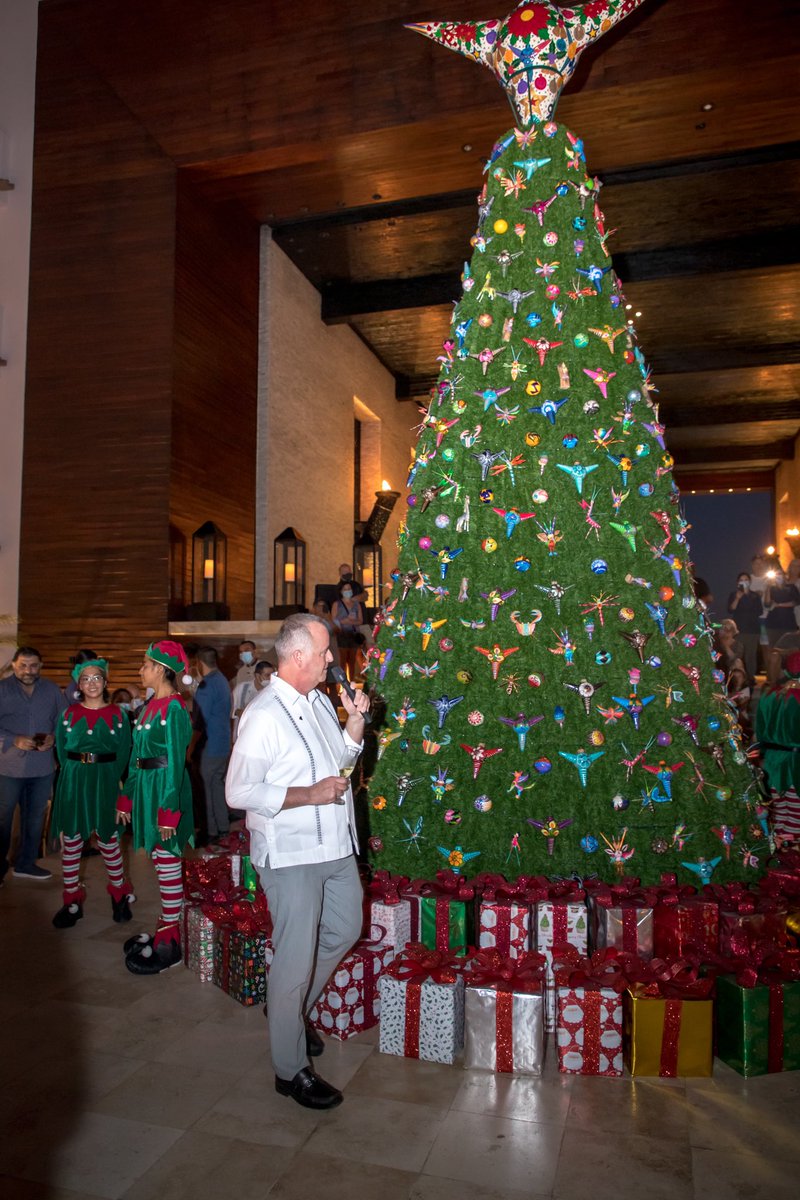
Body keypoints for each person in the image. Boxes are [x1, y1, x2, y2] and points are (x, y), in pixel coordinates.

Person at [226, 613, 370, 1110]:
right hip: (291, 854)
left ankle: (287, 1013)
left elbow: (342, 768)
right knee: (294, 957)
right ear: (298, 655)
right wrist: (306, 794)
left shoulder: (321, 702)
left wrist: (355, 724)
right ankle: (290, 1071)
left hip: (336, 847)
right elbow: (238, 791)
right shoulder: (263, 714)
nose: (332, 658)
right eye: (325, 651)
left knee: (345, 929)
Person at [117, 641, 194, 975]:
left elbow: (175, 763)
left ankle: (169, 939)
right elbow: (137, 757)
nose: (140, 671)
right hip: (148, 789)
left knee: (168, 861)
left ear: (161, 670)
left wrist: (168, 811)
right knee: (161, 863)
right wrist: (127, 796)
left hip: (165, 789)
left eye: (145, 665)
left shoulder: (174, 708)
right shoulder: (150, 706)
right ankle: (167, 924)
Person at [51, 658, 134, 928]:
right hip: (74, 781)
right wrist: (74, 775)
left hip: (106, 780)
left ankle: (119, 895)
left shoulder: (118, 715)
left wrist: (110, 778)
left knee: (109, 840)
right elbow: (61, 750)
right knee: (72, 840)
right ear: (79, 685)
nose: (91, 683)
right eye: (85, 679)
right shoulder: (68, 715)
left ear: (105, 682)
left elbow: (124, 752)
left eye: (96, 677)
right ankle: (71, 901)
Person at [0, 646, 66, 883]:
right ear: (13, 665)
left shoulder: (52, 690)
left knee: (35, 818)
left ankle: (26, 864)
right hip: (8, 768)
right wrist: (12, 739)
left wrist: (54, 738)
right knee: (3, 818)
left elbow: (64, 720)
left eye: (34, 665)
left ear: (41, 666)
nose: (28, 670)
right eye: (23, 665)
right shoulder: (2, 689)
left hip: (42, 767)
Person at [755, 650, 800, 846]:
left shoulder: (769, 695)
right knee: (796, 813)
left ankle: (780, 848)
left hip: (772, 761)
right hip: (795, 763)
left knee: (780, 810)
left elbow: (760, 729)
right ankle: (791, 852)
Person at [193, 646, 232, 843]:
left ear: (199, 663)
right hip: (223, 743)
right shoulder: (222, 680)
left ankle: (210, 831)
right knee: (216, 786)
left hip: (210, 743)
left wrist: (190, 746)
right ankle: (223, 828)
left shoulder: (207, 684)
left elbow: (200, 719)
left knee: (206, 790)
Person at [727, 571, 762, 680]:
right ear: (737, 582)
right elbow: (730, 609)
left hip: (753, 630)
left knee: (750, 656)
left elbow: (760, 611)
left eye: (746, 580)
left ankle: (750, 678)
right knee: (737, 655)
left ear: (750, 582)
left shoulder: (755, 595)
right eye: (741, 580)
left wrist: (748, 596)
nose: (744, 582)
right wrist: (738, 598)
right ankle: (736, 679)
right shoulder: (734, 594)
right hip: (738, 630)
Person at [333, 579, 366, 682]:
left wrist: (350, 621)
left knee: (352, 661)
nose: (348, 591)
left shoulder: (356, 604)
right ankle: (341, 684)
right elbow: (333, 620)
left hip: (353, 635)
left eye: (349, 589)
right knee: (342, 660)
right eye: (345, 589)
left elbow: (360, 620)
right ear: (341, 591)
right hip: (342, 634)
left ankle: (351, 683)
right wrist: (344, 621)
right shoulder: (337, 604)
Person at [232, 658, 274, 739]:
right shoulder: (241, 688)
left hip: (261, 735)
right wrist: (238, 712)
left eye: (272, 676)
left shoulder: (272, 691)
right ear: (257, 676)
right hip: (241, 734)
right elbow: (230, 708)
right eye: (267, 675)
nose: (270, 679)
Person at [763, 567, 800, 647]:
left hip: (788, 623)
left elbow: (796, 602)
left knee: (789, 648)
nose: (778, 576)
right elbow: (767, 604)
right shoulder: (772, 588)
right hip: (772, 624)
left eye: (780, 574)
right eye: (776, 574)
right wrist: (768, 587)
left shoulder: (791, 587)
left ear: (784, 575)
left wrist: (779, 605)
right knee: (774, 648)